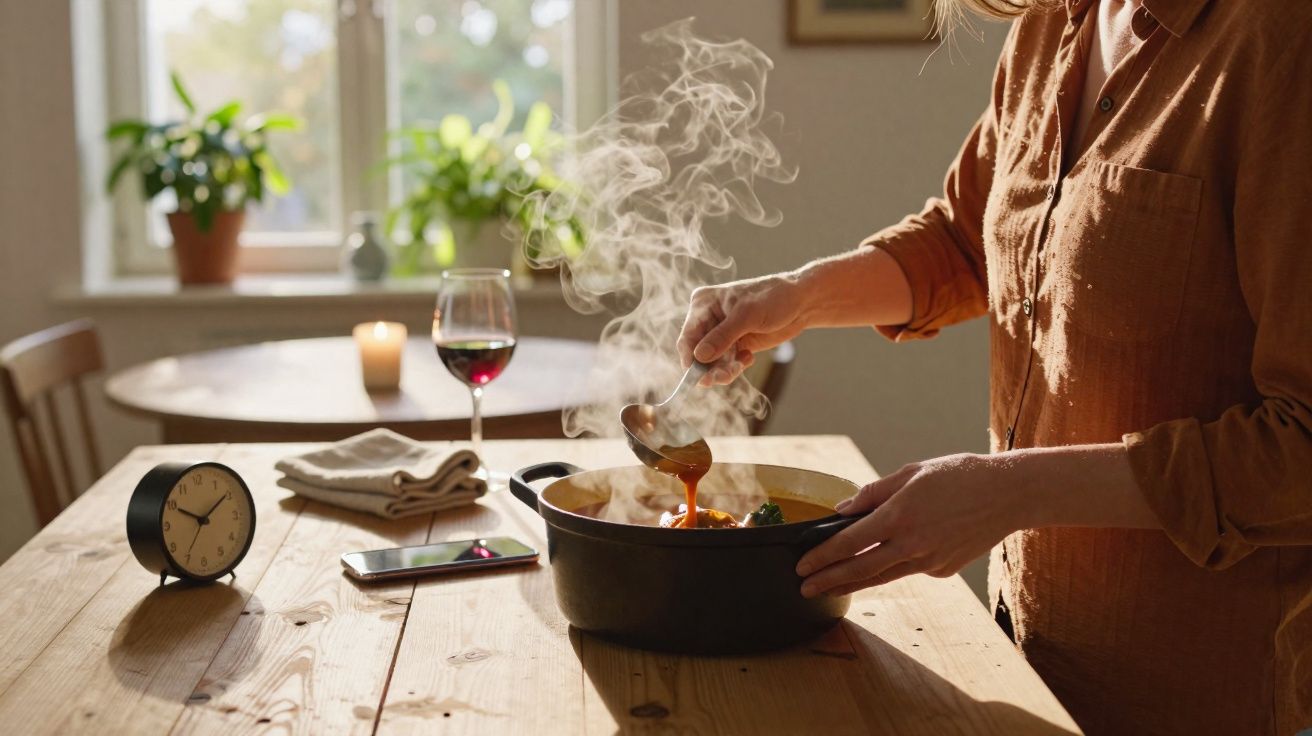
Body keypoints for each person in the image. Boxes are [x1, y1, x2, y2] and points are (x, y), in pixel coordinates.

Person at [676, 0, 1312, 733]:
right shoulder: (1055, 23)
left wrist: (1012, 494)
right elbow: (967, 240)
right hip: (1030, 657)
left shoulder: (1281, 41)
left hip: (1210, 697)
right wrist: (797, 297)